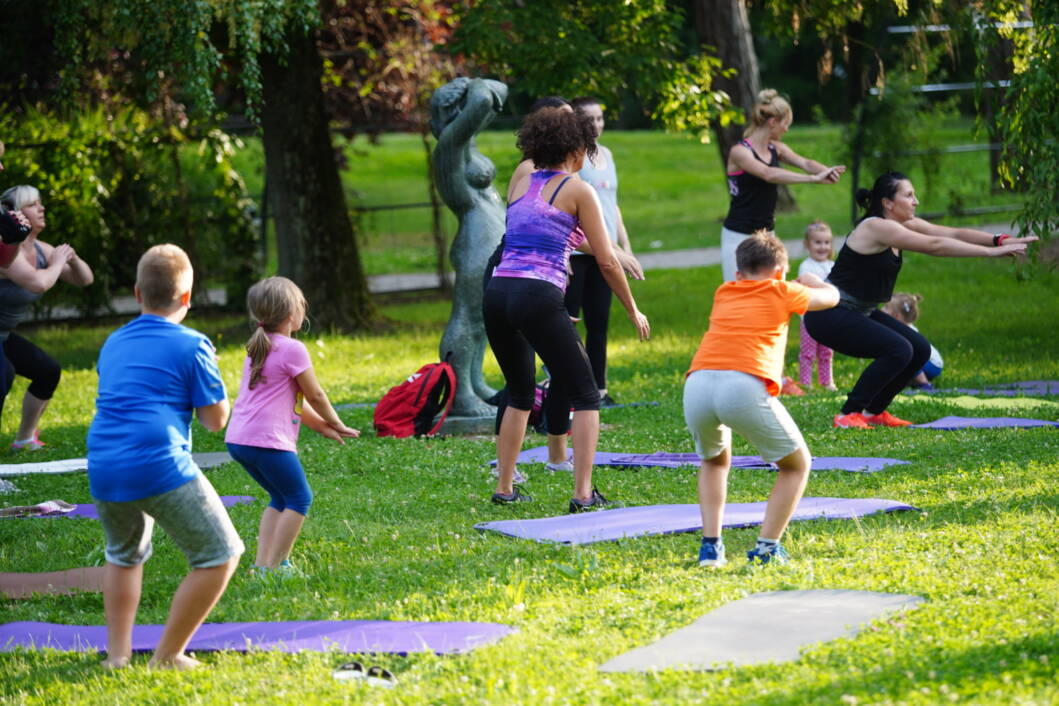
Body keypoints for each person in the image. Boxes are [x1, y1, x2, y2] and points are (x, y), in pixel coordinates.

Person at [485, 106, 650, 512]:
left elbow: (533, 238)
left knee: (520, 393)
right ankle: (583, 494)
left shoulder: (522, 183)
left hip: (498, 292)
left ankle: (505, 487)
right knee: (587, 394)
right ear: (577, 150)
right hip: (535, 295)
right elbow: (607, 260)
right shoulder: (577, 189)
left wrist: (550, 305)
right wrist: (632, 308)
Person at [86, 244, 242, 670]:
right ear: (187, 298)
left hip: (104, 463)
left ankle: (117, 657)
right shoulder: (193, 344)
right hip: (159, 463)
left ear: (137, 293)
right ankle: (168, 655)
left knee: (123, 555)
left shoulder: (114, 342)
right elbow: (214, 421)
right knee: (220, 554)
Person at [804, 172, 1033, 429]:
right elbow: (934, 245)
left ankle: (872, 412)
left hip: (859, 312)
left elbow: (952, 233)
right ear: (888, 202)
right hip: (830, 313)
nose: (916, 201)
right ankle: (848, 414)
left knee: (919, 350)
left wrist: (999, 239)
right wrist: (991, 253)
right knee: (898, 349)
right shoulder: (876, 226)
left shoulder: (903, 225)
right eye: (909, 195)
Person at [684, 232, 839, 567]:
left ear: (738, 274)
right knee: (796, 465)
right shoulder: (783, 290)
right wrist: (814, 281)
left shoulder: (724, 291)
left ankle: (711, 548)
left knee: (714, 461)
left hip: (697, 383)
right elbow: (831, 298)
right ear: (781, 272)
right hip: (743, 383)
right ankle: (768, 547)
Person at [225, 276, 360, 573]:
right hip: (266, 441)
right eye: (302, 304)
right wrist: (336, 421)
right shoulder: (292, 349)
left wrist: (321, 427)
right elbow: (315, 393)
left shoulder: (257, 346)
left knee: (280, 497)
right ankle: (276, 566)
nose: (304, 309)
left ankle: (263, 565)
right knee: (299, 498)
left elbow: (293, 399)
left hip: (239, 439)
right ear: (290, 314)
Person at [0, 185, 93, 450]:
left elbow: (84, 279)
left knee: (47, 370)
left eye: (40, 203)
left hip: (4, 335)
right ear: (14, 214)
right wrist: (56, 263)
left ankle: (24, 439)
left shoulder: (41, 249)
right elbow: (38, 283)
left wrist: (71, 259)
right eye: (33, 204)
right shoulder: (7, 251)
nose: (41, 208)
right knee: (2, 375)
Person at [564, 96, 643, 407]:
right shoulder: (572, 159)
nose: (596, 125)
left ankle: (599, 390)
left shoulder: (607, 154)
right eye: (589, 119)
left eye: (600, 118)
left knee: (600, 323)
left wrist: (625, 246)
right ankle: (571, 390)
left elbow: (613, 206)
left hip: (607, 253)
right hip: (579, 253)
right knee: (571, 324)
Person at [721, 89, 846, 283]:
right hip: (738, 235)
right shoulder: (740, 152)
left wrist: (826, 171)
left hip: (767, 235)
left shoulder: (776, 148)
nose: (786, 130)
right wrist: (813, 179)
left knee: (774, 294)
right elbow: (767, 174)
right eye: (785, 124)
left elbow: (805, 163)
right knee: (738, 296)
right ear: (772, 123)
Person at [797, 220, 837, 391]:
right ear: (808, 244)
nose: (823, 247)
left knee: (826, 352)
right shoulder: (806, 267)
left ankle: (827, 382)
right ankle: (806, 383)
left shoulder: (832, 266)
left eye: (826, 242)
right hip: (810, 316)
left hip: (829, 317)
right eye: (817, 242)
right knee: (808, 352)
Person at [882, 293, 943, 389]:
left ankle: (925, 384)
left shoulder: (906, 331)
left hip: (932, 365)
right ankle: (911, 382)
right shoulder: (900, 328)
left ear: (897, 316)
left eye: (886, 307)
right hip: (927, 364)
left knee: (906, 354)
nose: (881, 310)